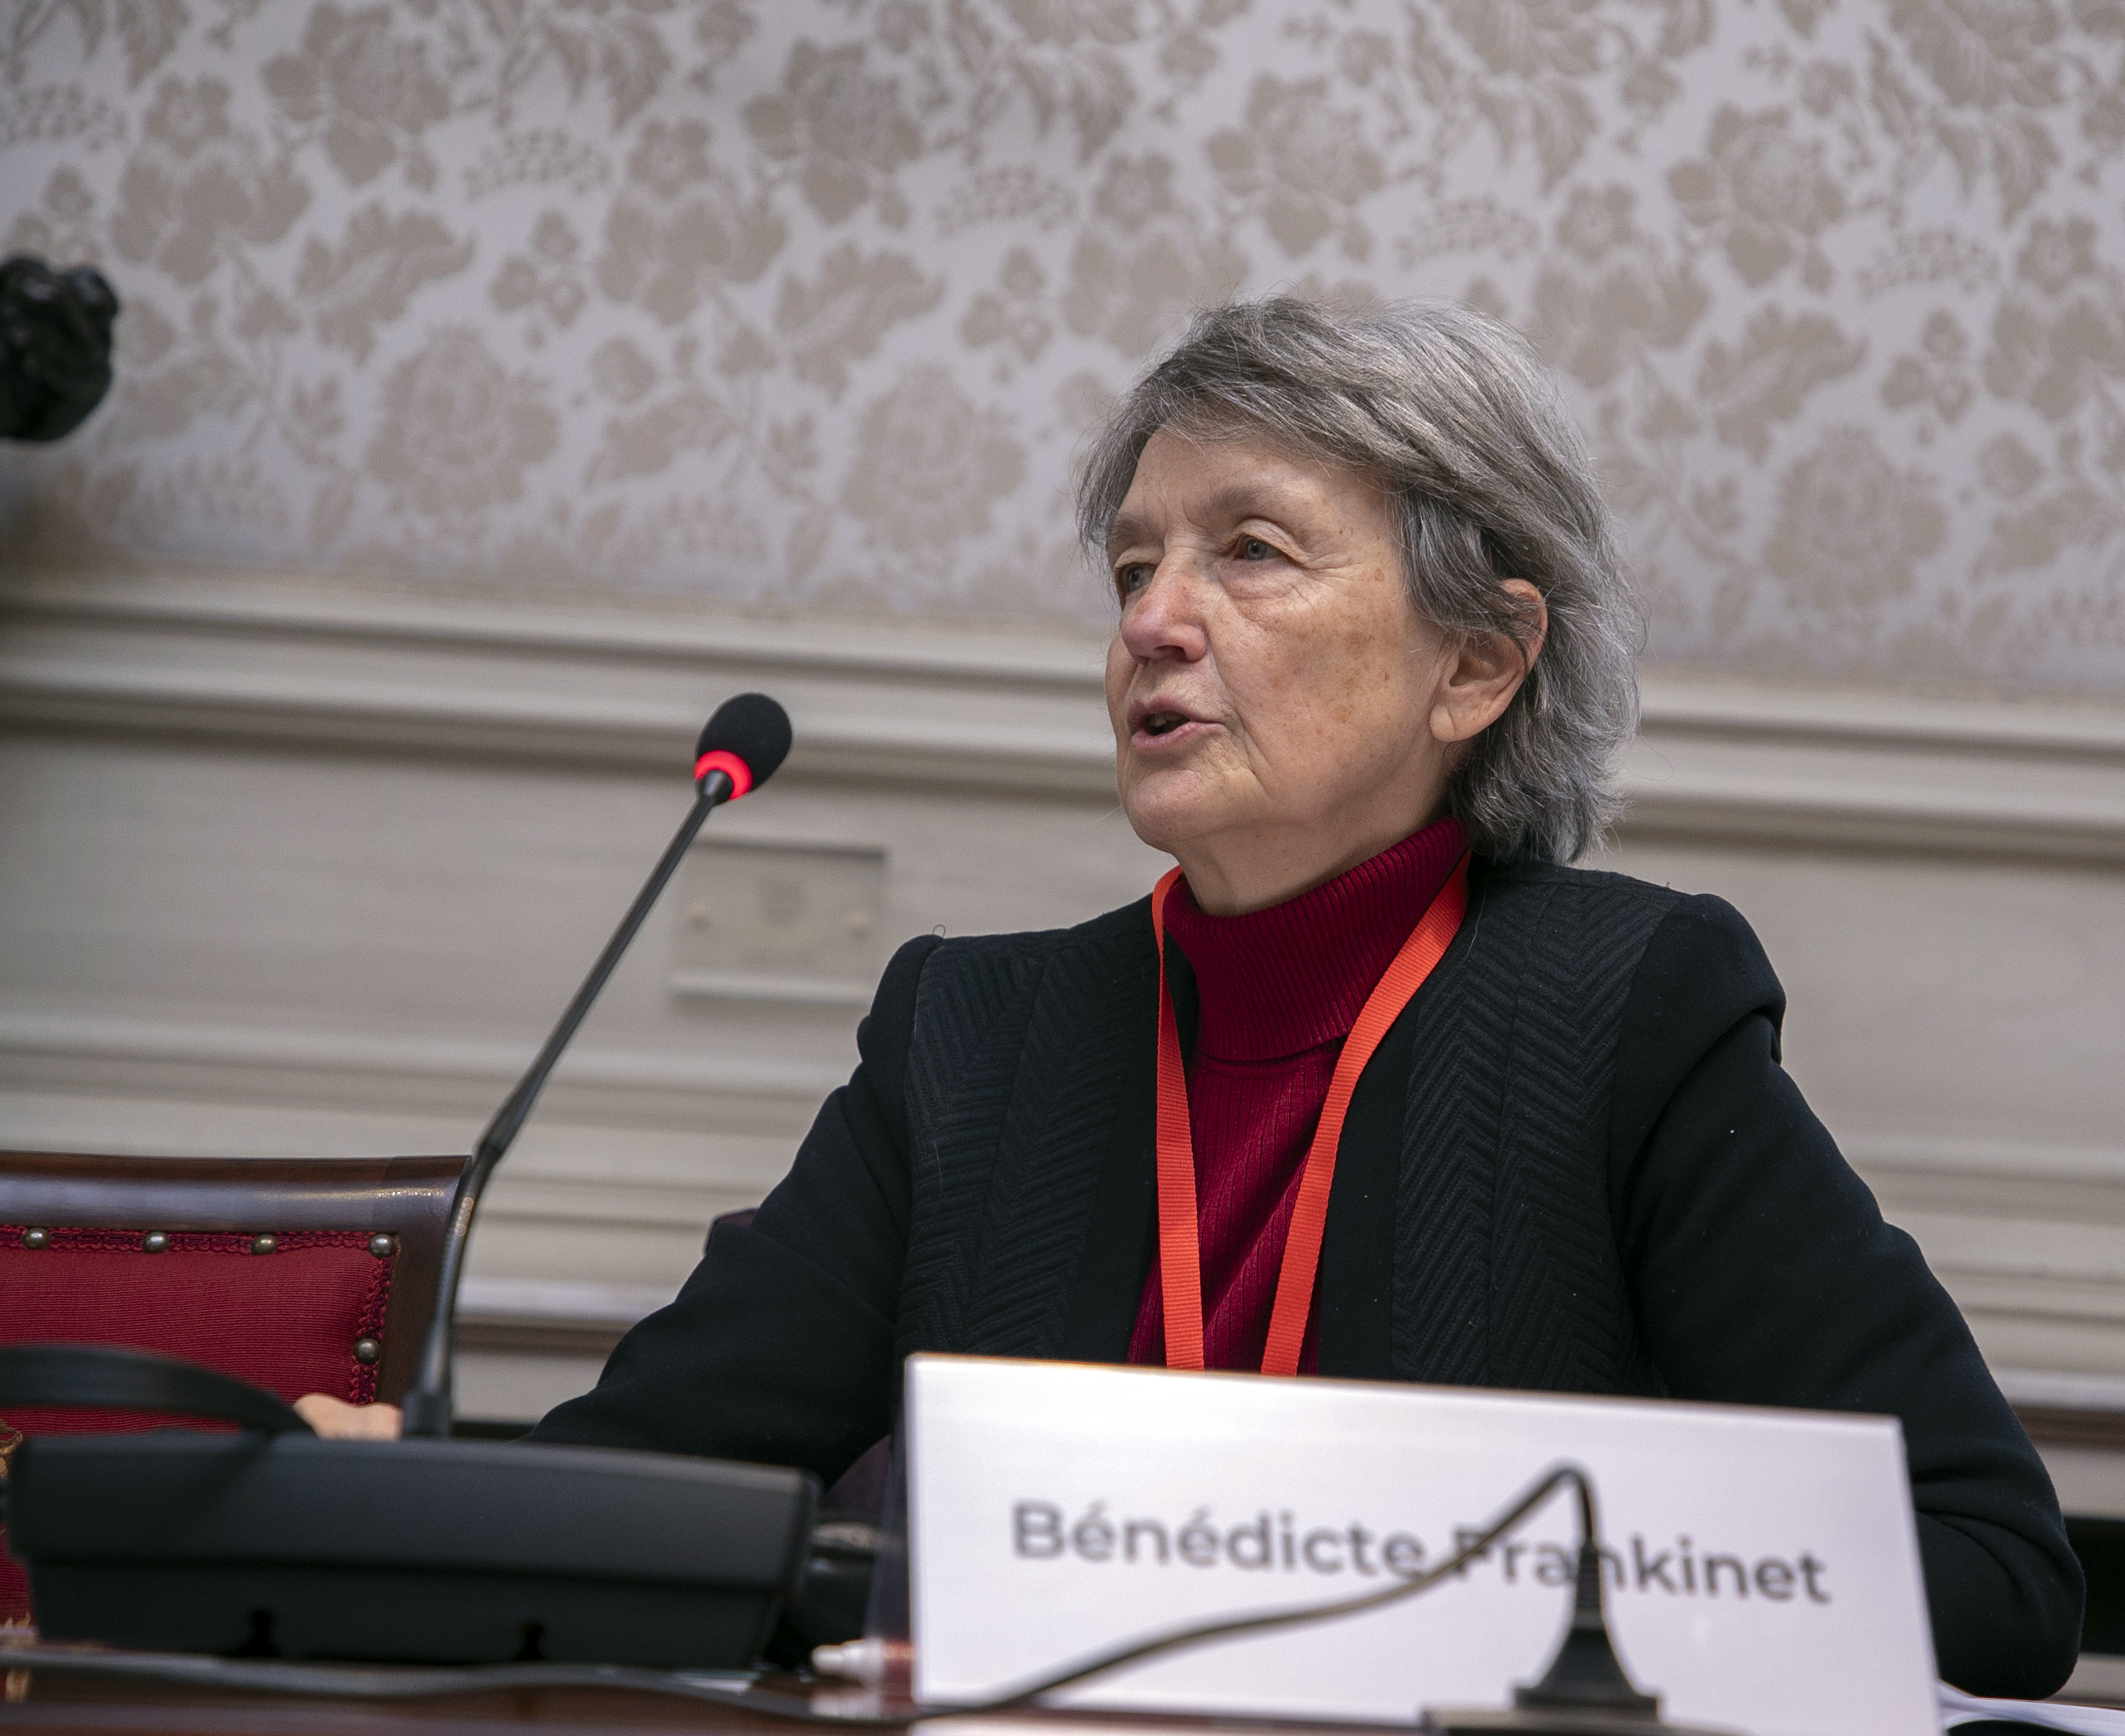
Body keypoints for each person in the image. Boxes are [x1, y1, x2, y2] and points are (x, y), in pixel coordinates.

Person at [298, 295, 2084, 1696]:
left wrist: (1438, 1588)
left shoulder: (1626, 1014)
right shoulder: (968, 1043)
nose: (1154, 618)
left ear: (1477, 660)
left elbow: (1990, 1570)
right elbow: (648, 1491)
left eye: (1248, 549)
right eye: (1133, 564)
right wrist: (418, 1494)